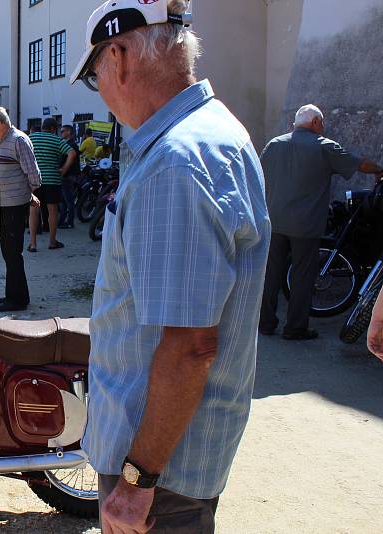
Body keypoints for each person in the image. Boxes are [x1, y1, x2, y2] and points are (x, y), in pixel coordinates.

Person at [69, 1, 271, 531]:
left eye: (94, 77)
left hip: (160, 471)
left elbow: (189, 347)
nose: (103, 92)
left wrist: (136, 482)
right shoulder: (213, 130)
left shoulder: (175, 164)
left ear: (118, 56)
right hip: (178, 458)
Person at [259, 104, 383, 340]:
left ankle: (266, 323)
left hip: (274, 221)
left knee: (271, 274)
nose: (322, 127)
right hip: (305, 226)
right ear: (315, 122)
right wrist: (379, 170)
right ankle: (295, 328)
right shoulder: (323, 146)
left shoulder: (274, 145)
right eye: (322, 123)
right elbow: (359, 164)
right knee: (303, 277)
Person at [0, 106, 40, 312]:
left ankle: (17, 300)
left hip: (14, 206)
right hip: (6, 204)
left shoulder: (18, 140)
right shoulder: (3, 141)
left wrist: (27, 195)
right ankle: (13, 295)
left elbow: (34, 175)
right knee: (9, 253)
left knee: (13, 253)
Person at [28, 117, 76, 251]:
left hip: (34, 181)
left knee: (33, 211)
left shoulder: (31, 138)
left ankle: (32, 244)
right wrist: (64, 169)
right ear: (53, 129)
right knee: (52, 211)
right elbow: (72, 153)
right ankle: (52, 242)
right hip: (52, 180)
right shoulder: (57, 140)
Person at [59, 124, 82, 229]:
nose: (61, 133)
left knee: (68, 200)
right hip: (69, 175)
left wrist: (62, 170)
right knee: (64, 200)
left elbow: (68, 160)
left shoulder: (71, 145)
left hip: (68, 175)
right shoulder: (70, 144)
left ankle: (69, 222)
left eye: (63, 131)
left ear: (69, 132)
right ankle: (63, 221)